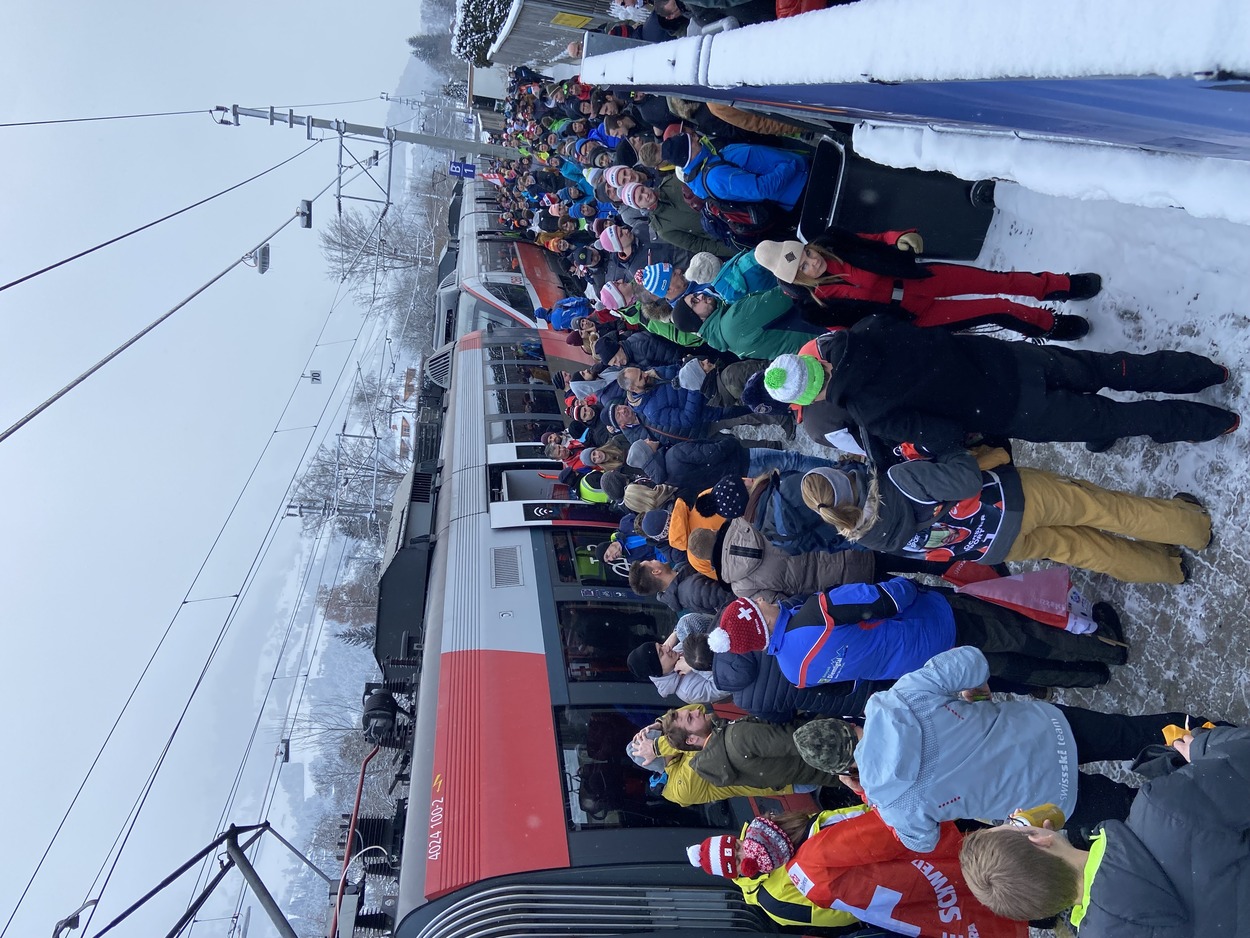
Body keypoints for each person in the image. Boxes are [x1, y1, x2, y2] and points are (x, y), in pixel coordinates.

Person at [801, 645, 1225, 853]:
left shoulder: (893, 803)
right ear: (847, 723)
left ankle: (1220, 815)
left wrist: (867, 793)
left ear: (842, 771)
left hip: (1049, 801)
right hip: (1048, 730)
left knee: (1139, 812)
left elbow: (922, 842)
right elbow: (972, 661)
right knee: (1135, 733)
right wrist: (971, 694)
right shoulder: (902, 697)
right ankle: (1224, 743)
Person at [768, 314, 1238, 454]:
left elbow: (944, 435)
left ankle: (1212, 423)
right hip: (1013, 359)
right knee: (1112, 368)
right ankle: (1204, 371)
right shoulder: (869, 328)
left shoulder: (870, 413)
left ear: (810, 398)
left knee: (1122, 419)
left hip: (1010, 409)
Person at [957, 725, 1250, 934]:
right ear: (1039, 839)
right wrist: (1202, 747)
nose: (1018, 815)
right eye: (1015, 824)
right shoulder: (1162, 808)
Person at [796, 439, 1213, 584]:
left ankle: (1168, 569)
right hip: (1010, 500)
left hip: (995, 546)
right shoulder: (897, 480)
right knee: (1103, 509)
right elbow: (965, 481)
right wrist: (948, 451)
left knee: (1086, 550)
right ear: (842, 475)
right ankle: (1191, 527)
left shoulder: (867, 536)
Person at [708, 579, 1126, 692]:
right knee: (1023, 633)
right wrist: (907, 584)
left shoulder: (794, 674)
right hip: (936, 622)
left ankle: (1090, 676)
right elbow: (892, 597)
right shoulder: (818, 611)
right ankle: (1107, 648)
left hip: (927, 665)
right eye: (756, 604)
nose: (761, 598)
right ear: (758, 622)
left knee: (1010, 668)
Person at [687, 808, 1027, 938]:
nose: (745, 851)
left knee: (977, 859)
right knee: (978, 887)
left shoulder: (772, 830)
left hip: (898, 846)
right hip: (893, 878)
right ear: (736, 873)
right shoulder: (773, 898)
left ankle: (1023, 846)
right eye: (737, 859)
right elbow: (839, 916)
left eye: (737, 845)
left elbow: (847, 817)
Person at [754, 234, 1093, 340]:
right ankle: (1048, 324)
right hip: (918, 315)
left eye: (807, 253)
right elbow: (856, 333)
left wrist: (899, 238)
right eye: (803, 267)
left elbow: (877, 239)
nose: (812, 262)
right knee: (996, 308)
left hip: (920, 278)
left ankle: (1058, 285)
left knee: (997, 280)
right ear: (798, 279)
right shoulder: (817, 307)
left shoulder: (834, 242)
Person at [684, 518, 873, 604]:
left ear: (707, 560)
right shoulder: (746, 521)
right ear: (712, 530)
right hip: (843, 544)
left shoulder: (741, 588)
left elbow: (782, 604)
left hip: (841, 584)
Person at [658, 705, 843, 791]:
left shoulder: (719, 761)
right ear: (691, 739)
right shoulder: (737, 737)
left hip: (832, 772)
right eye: (690, 718)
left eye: (690, 711)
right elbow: (804, 741)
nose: (697, 711)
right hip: (840, 748)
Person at [670, 286, 823, 360]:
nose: (701, 296)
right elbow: (784, 295)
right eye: (695, 302)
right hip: (817, 321)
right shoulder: (732, 322)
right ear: (696, 319)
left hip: (814, 340)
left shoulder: (722, 336)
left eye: (696, 295)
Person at [627, 636, 729, 704]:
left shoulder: (677, 651)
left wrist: (677, 631)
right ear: (658, 668)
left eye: (661, 645)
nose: (667, 648)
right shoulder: (687, 691)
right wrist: (694, 665)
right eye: (661, 653)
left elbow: (698, 624)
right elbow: (727, 686)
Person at [628, 558, 734, 616]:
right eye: (651, 562)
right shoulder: (693, 591)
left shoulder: (680, 569)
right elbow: (732, 596)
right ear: (656, 571)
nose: (654, 559)